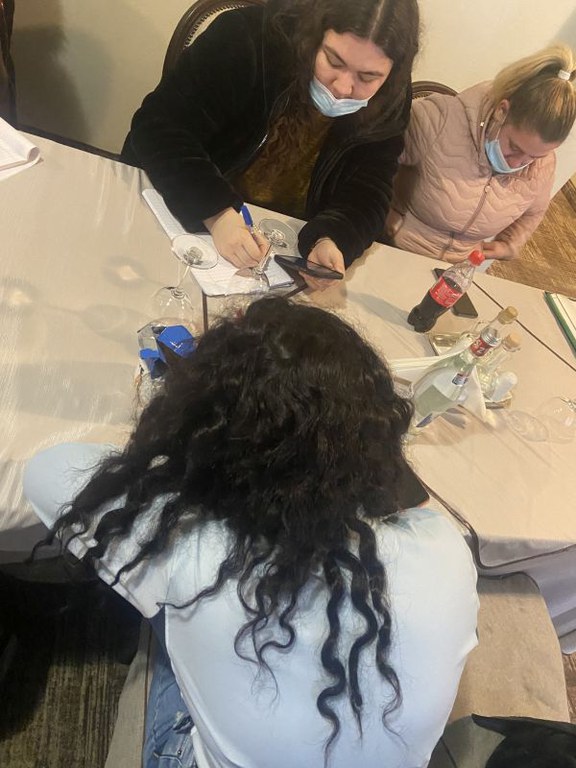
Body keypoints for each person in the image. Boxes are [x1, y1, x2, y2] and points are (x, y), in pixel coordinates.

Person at [24, 297, 478, 768]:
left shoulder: (192, 547)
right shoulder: (445, 547)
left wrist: (176, 449)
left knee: (168, 613)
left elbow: (46, 471)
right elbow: (411, 503)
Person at [121, 0, 420, 288]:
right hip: (179, 212)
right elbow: (159, 127)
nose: (343, 88)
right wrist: (216, 213)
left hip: (274, 250)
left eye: (368, 77)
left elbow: (370, 191)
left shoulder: (391, 97)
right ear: (316, 33)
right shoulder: (249, 39)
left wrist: (334, 238)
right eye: (333, 60)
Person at [386, 44, 576, 263]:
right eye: (514, 147)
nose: (518, 164)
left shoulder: (543, 164)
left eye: (534, 157)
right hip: (394, 250)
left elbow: (534, 211)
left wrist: (510, 244)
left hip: (455, 269)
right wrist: (383, 214)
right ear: (501, 112)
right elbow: (370, 160)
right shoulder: (438, 119)